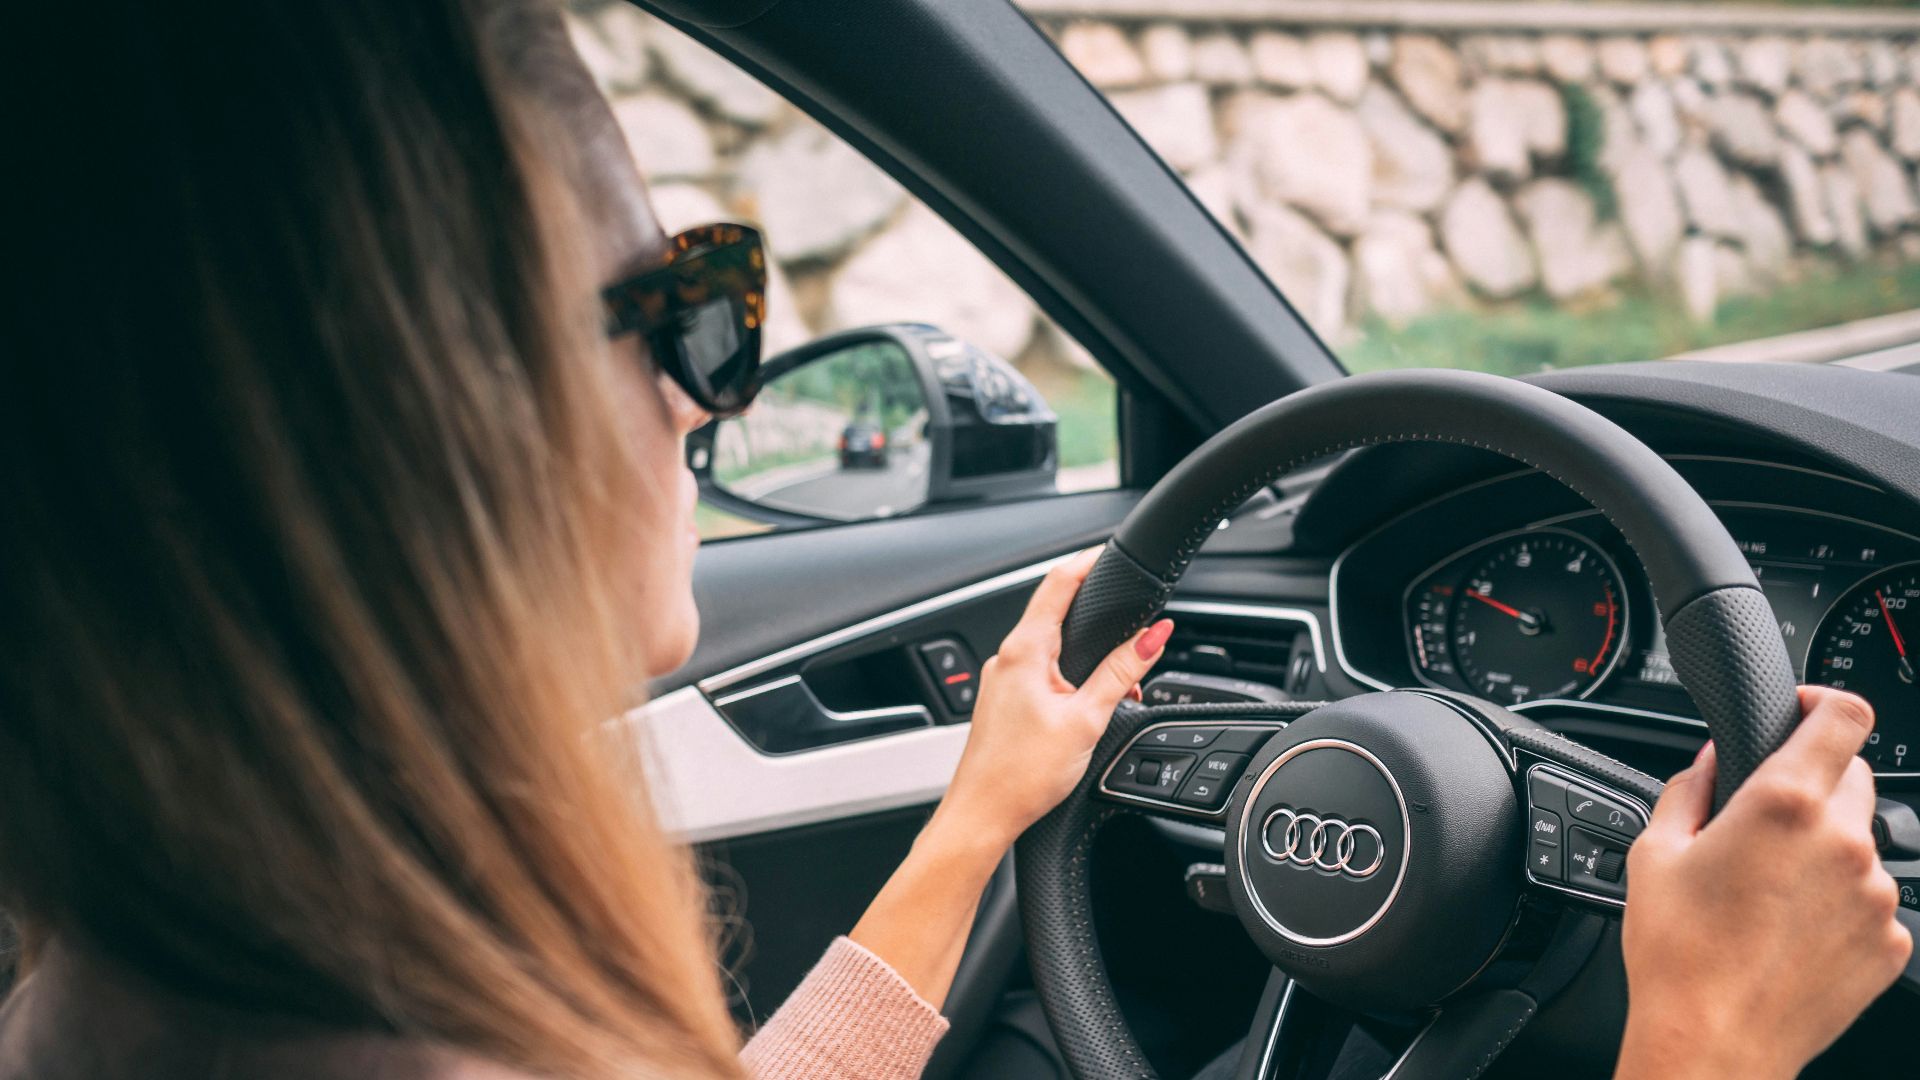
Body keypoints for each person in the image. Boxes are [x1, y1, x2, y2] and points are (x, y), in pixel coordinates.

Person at [0, 2, 1906, 1078]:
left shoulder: (144, 996)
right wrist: (1708, 1039)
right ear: (423, 412)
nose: (708, 393)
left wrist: (980, 821)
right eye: (682, 309)